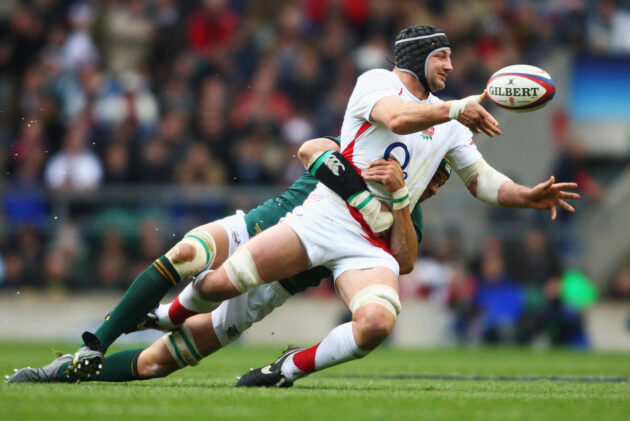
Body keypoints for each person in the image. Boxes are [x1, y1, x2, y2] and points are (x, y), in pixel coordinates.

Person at [116, 24, 575, 389]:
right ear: (417, 57)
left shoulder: (431, 163)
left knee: (376, 323)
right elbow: (330, 142)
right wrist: (455, 109)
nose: (452, 66)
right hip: (314, 220)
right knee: (208, 280)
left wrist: (526, 196)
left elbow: (483, 184)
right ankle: (136, 327)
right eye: (443, 55)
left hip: (348, 253)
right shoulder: (378, 84)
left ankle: (286, 368)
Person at [6, 152, 452, 383]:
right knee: (186, 255)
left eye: (438, 184)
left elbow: (405, 262)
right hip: (256, 228)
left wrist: (400, 203)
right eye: (431, 177)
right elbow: (312, 148)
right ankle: (95, 345)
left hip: (271, 287)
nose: (430, 188)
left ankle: (66, 370)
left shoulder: (406, 215)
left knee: (157, 364)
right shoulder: (358, 151)